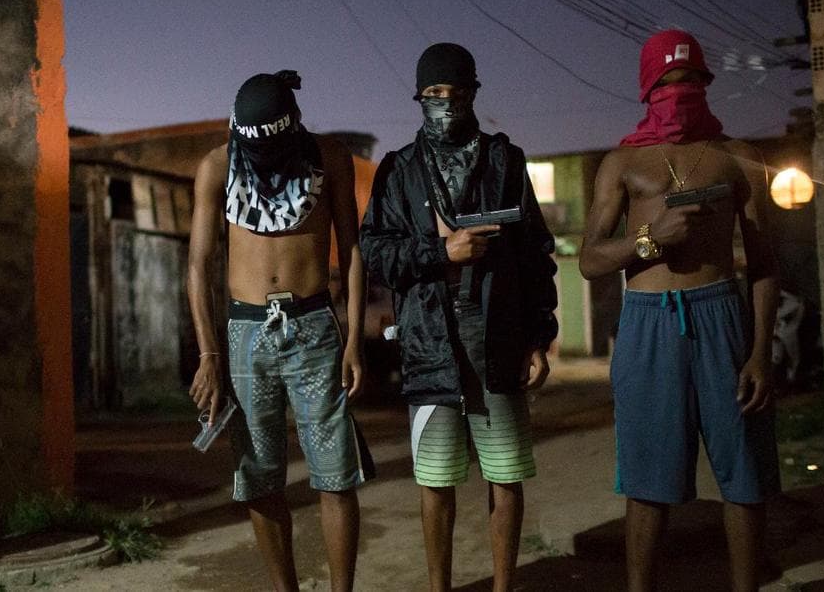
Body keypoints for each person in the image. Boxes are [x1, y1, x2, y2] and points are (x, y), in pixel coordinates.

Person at [579, 29, 781, 592]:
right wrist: (650, 239)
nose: (680, 90)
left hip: (722, 316)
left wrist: (761, 353)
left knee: (745, 474)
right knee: (648, 480)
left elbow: (764, 265)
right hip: (648, 322)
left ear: (707, 83)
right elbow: (590, 260)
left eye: (691, 79)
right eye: (668, 82)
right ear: (648, 89)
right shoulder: (621, 163)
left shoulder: (738, 158)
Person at [360, 43, 558, 592]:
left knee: (505, 474)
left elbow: (534, 254)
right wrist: (438, 254)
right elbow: (374, 252)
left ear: (473, 94)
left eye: (455, 93)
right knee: (436, 479)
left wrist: (539, 337)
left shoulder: (503, 159)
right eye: (433, 95)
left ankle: (503, 586)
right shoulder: (398, 169)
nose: (445, 103)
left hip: (497, 335)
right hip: (428, 340)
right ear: (420, 99)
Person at [187, 70, 373, 592]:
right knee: (259, 478)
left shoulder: (329, 157)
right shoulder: (217, 166)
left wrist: (355, 337)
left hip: (314, 324)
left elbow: (352, 250)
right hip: (246, 329)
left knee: (336, 476)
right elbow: (199, 265)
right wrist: (207, 353)